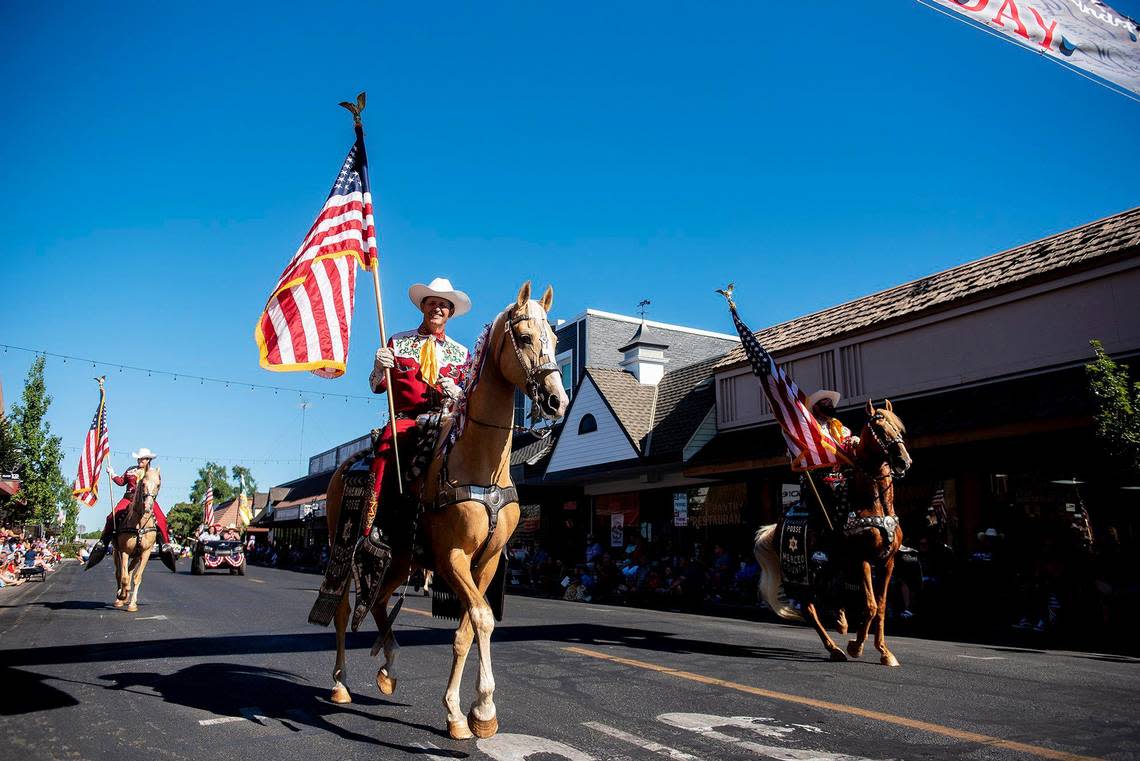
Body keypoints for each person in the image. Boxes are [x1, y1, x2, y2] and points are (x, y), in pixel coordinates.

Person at [355, 277, 471, 604]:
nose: (437, 308)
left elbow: (467, 397)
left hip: (446, 416)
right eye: (432, 302)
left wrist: (458, 393)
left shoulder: (460, 354)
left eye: (443, 305)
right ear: (423, 307)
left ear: (450, 313)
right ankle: (373, 525)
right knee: (390, 444)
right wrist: (379, 366)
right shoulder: (397, 341)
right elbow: (375, 384)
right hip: (407, 419)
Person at [87, 449, 177, 573]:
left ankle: (165, 544)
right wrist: (112, 474)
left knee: (161, 518)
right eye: (139, 458)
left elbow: (157, 486)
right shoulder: (131, 470)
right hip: (129, 498)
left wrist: (149, 498)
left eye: (143, 458)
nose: (140, 460)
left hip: (146, 499)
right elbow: (121, 482)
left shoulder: (153, 473)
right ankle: (104, 541)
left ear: (148, 460)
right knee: (111, 517)